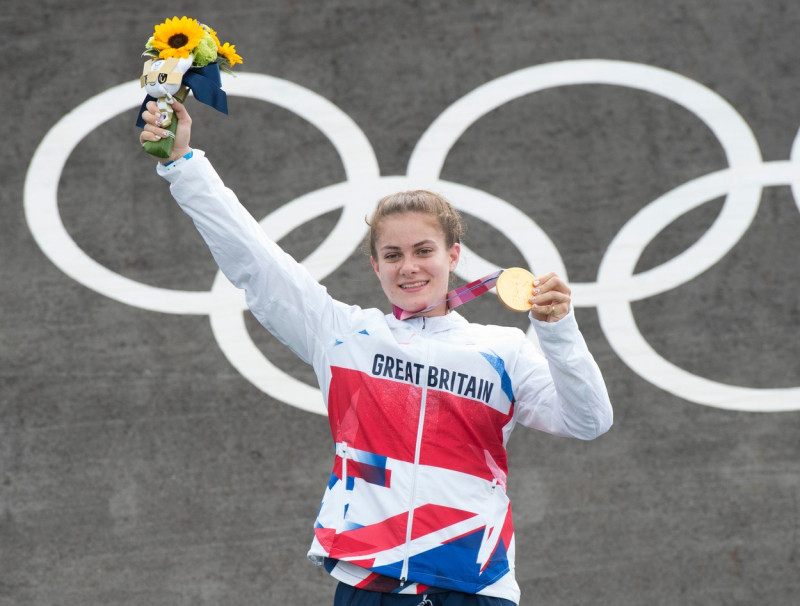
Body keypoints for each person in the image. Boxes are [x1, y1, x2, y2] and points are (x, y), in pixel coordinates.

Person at [139, 99, 612, 606]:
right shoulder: (343, 336)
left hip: (474, 584)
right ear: (375, 265)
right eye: (393, 255)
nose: (409, 267)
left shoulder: (502, 350)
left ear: (453, 255)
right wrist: (183, 163)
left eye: (424, 251)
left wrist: (558, 330)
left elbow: (589, 420)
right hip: (370, 583)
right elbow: (253, 259)